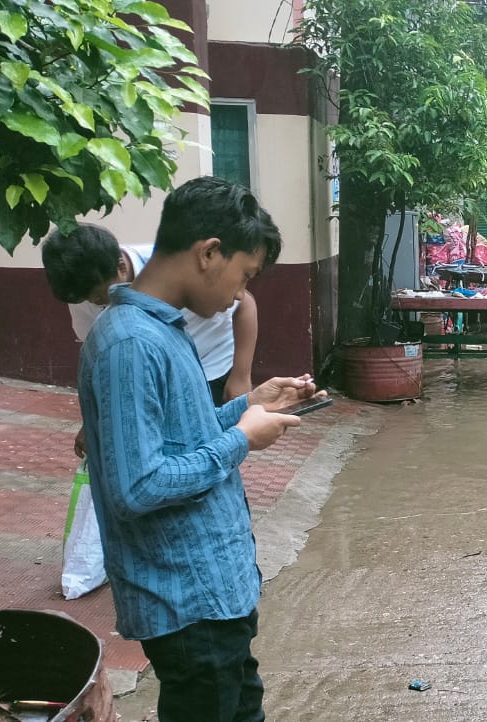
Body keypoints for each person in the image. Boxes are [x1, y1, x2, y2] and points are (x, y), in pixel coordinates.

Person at [78, 176, 319, 721]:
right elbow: (136, 486)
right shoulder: (131, 342)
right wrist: (240, 441)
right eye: (244, 277)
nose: (239, 295)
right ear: (209, 253)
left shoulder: (164, 329)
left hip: (214, 592)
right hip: (186, 604)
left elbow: (180, 434)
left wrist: (249, 404)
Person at [42, 223, 259, 456]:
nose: (97, 303)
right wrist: (91, 419)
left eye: (99, 296)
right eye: (90, 299)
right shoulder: (84, 287)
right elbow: (96, 354)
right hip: (156, 374)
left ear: (121, 266)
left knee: (207, 448)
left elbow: (244, 303)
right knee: (163, 451)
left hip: (210, 366)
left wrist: (241, 376)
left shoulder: (173, 266)